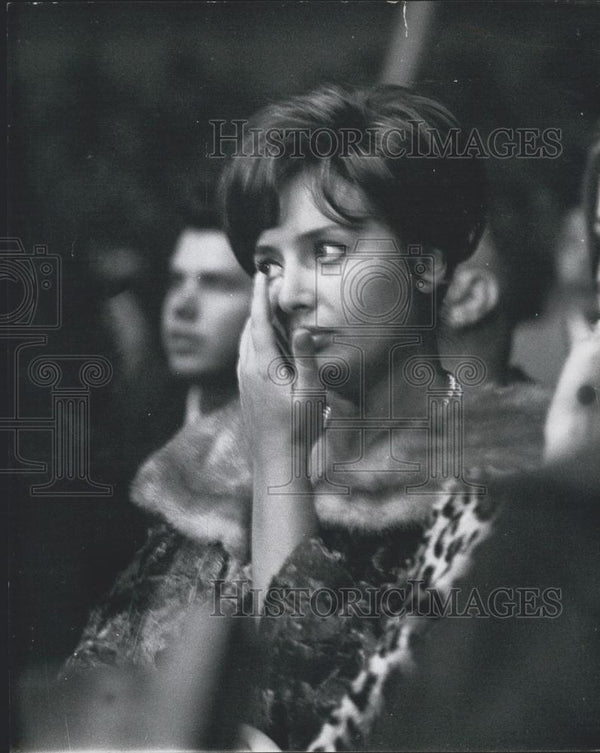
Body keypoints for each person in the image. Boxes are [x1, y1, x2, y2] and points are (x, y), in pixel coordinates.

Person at [220, 83, 550, 750]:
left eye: (329, 252)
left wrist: (281, 458)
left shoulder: (502, 492)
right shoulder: (215, 474)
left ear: (426, 263)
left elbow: (311, 722)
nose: (288, 291)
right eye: (267, 263)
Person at [60, 208, 253, 676]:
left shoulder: (276, 461)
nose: (183, 305)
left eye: (216, 284)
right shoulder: (127, 438)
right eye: (176, 281)